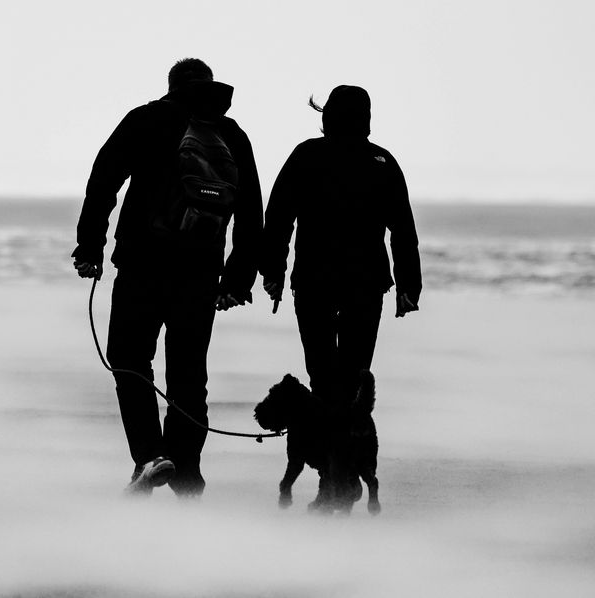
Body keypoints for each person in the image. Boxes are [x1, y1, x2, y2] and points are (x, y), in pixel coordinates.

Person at [73, 58, 263, 497]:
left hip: (142, 265)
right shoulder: (232, 134)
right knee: (189, 376)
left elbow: (103, 181)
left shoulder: (147, 118)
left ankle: (151, 457)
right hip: (200, 274)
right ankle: (188, 475)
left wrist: (90, 247)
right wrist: (237, 279)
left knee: (129, 359)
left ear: (173, 85)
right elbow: (251, 213)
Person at [261, 85, 421, 404]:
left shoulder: (307, 155)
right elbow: (403, 230)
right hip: (364, 284)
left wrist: (273, 272)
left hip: (313, 281)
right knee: (354, 374)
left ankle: (327, 447)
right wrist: (409, 287)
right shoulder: (381, 161)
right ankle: (345, 447)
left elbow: (279, 218)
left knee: (322, 374)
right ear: (367, 118)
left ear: (327, 116)